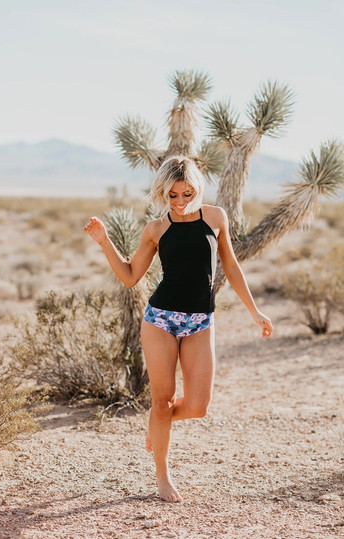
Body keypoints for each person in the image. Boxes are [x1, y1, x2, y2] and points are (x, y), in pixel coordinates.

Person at [83, 155, 273, 503]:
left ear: (197, 190)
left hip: (200, 320)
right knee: (162, 399)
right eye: (173, 196)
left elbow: (229, 265)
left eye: (187, 194)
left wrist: (255, 311)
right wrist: (104, 241)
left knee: (199, 406)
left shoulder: (215, 217)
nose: (181, 202)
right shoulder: (157, 229)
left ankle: (159, 421)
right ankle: (162, 473)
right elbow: (129, 277)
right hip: (161, 319)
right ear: (163, 194)